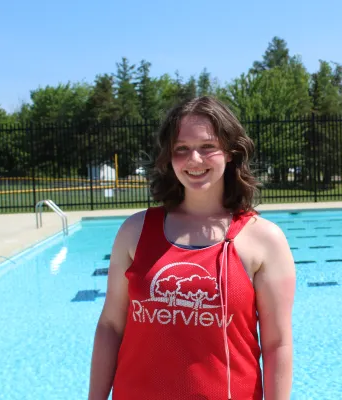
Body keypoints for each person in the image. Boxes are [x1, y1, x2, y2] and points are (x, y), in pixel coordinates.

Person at [88, 96, 296, 400]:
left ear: (230, 152)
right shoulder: (135, 231)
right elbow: (110, 326)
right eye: (181, 149)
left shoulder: (264, 240)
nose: (194, 160)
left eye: (207, 147)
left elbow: (278, 344)